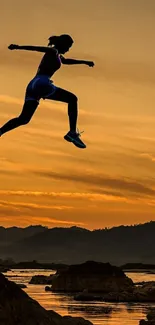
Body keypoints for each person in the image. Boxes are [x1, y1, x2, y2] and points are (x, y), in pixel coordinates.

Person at [0, 34, 95, 149]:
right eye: (68, 46)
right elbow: (37, 48)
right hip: (42, 83)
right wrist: (18, 47)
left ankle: (0, 132)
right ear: (63, 44)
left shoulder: (57, 55)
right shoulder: (53, 51)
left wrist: (84, 62)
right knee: (72, 99)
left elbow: (66, 61)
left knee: (24, 119)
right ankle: (72, 133)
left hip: (33, 85)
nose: (69, 49)